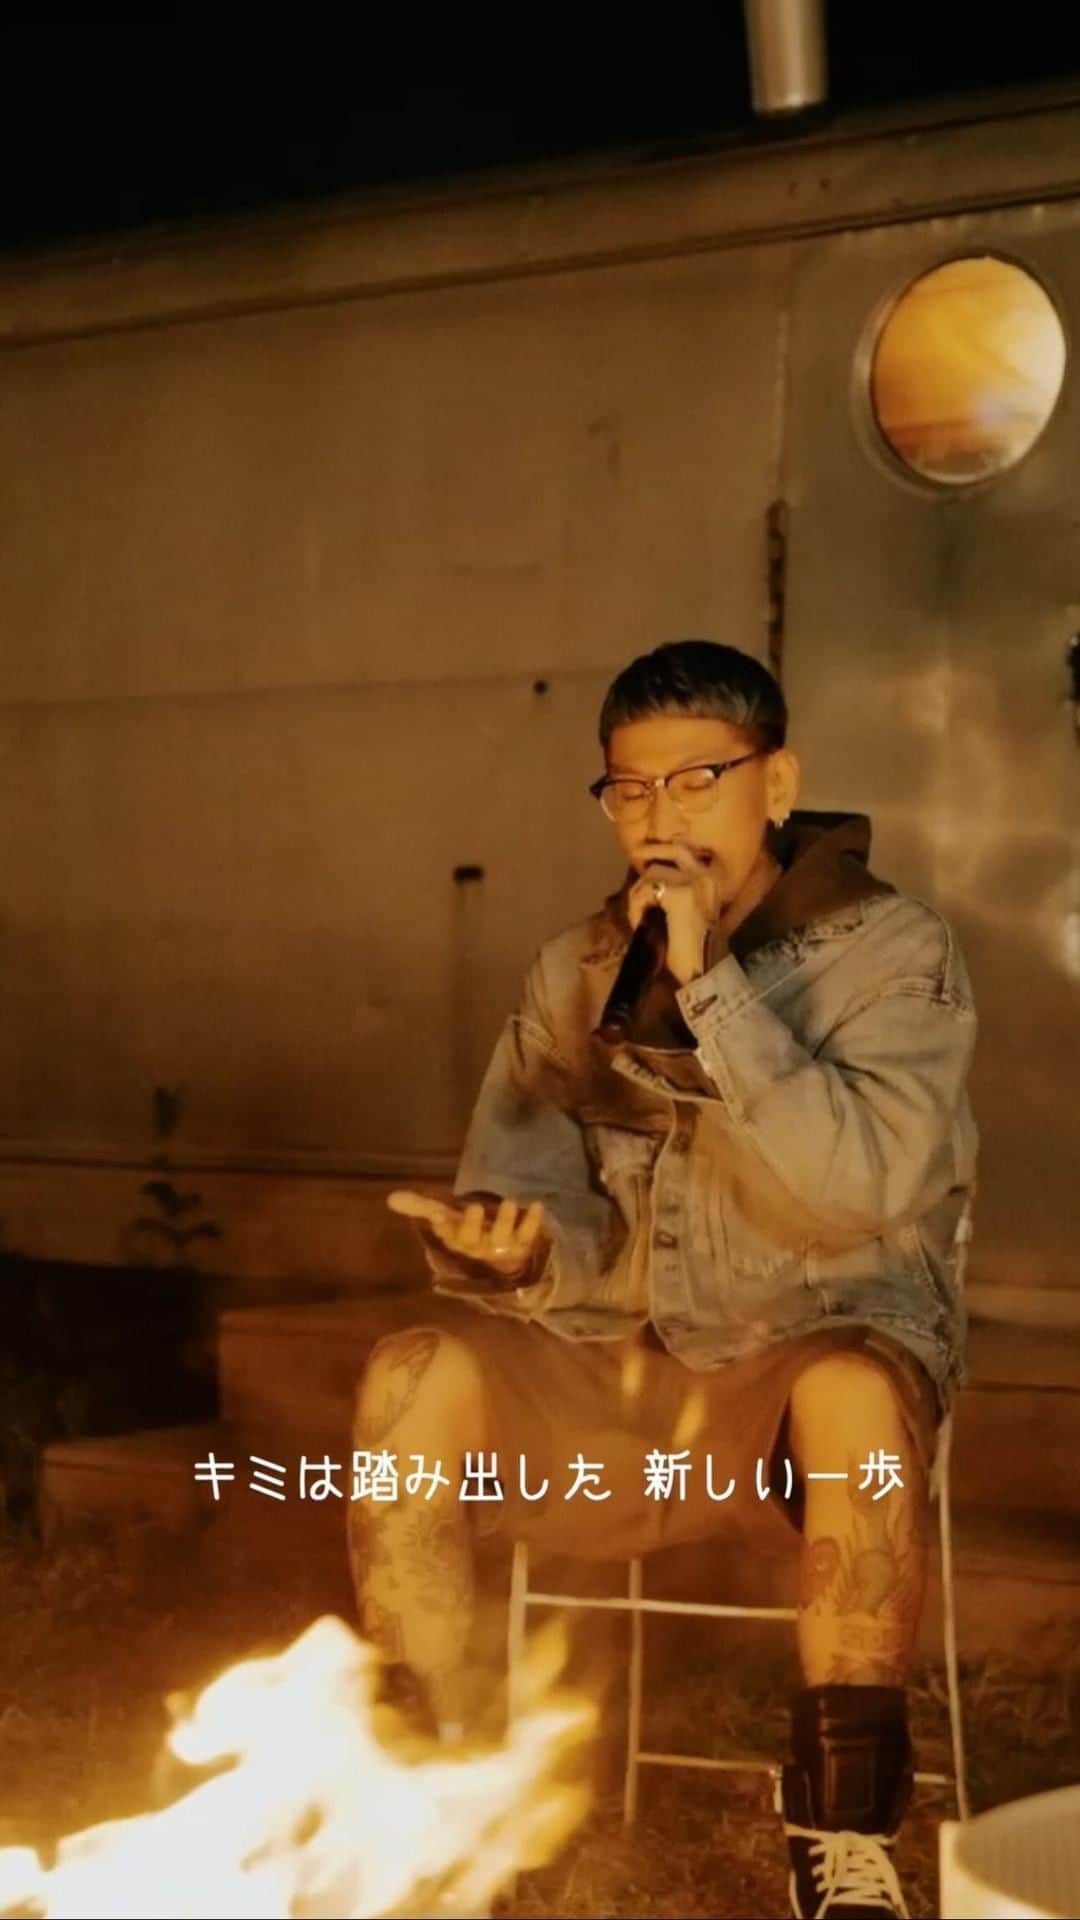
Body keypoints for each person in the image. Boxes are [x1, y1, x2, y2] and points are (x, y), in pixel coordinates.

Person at [347, 640, 977, 1919]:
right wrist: (519, 1254)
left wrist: (710, 989)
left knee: (854, 1396)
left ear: (777, 783)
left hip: (809, 1369)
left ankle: (842, 1839)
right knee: (413, 1372)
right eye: (629, 790)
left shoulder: (894, 954)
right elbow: (531, 1194)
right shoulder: (575, 969)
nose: (658, 817)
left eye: (697, 781)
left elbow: (859, 1188)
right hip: (620, 1368)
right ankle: (434, 1808)